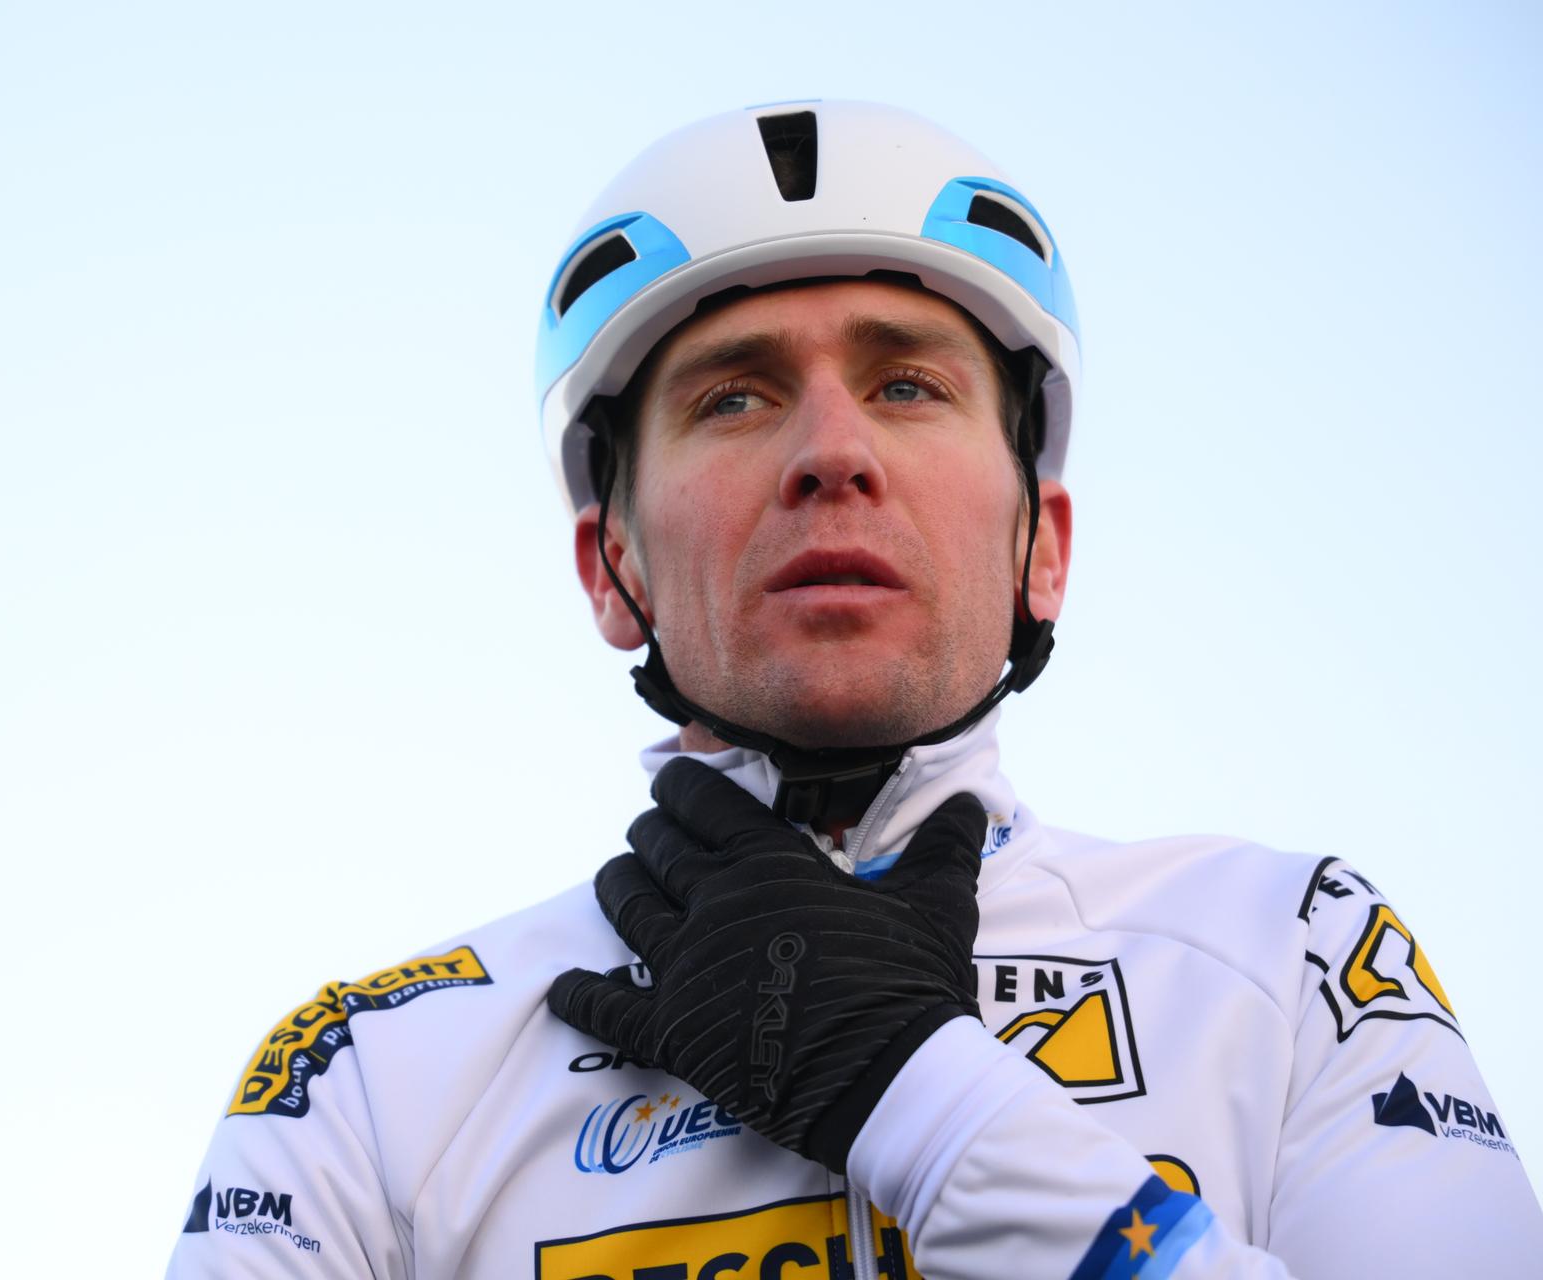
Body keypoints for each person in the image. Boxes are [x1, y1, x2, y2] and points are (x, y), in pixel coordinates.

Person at [165, 101, 1543, 1277]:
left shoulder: (1291, 957)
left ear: (1041, 549)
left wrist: (925, 1101)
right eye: (735, 398)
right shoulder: (365, 1079)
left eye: (906, 385)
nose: (833, 453)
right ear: (610, 565)